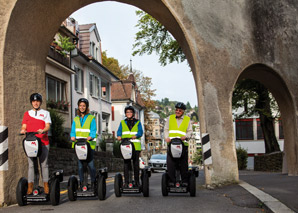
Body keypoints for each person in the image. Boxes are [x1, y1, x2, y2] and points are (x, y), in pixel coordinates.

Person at [20, 93, 51, 194]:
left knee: (44, 164)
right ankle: (30, 186)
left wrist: (43, 130)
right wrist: (23, 130)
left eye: (37, 101)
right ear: (31, 102)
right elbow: (24, 126)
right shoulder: (27, 114)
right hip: (31, 143)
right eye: (34, 101)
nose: (36, 103)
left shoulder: (45, 113)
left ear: (40, 102)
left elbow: (47, 126)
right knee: (31, 165)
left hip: (43, 142)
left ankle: (46, 185)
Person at [70, 98, 97, 190]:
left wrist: (91, 136)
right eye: (80, 106)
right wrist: (72, 137)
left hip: (89, 144)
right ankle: (82, 183)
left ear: (86, 107)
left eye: (84, 106)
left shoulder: (91, 118)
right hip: (79, 145)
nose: (82, 107)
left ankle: (93, 181)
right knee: (81, 165)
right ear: (78, 107)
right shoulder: (76, 119)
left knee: (91, 165)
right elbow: (73, 131)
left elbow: (93, 130)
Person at [164, 102, 193, 185]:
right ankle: (171, 181)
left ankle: (184, 181)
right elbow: (166, 129)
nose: (177, 111)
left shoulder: (187, 120)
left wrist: (186, 136)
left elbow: (190, 131)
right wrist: (167, 137)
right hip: (171, 144)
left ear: (183, 111)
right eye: (176, 110)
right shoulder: (170, 118)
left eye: (180, 110)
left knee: (183, 164)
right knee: (170, 164)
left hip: (183, 144)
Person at [117, 106, 143, 187]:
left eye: (130, 112)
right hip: (126, 146)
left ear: (133, 113)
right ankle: (127, 181)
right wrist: (118, 136)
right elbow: (119, 131)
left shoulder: (137, 122)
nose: (129, 113)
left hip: (135, 146)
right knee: (126, 164)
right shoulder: (122, 122)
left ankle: (136, 181)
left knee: (135, 164)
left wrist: (136, 135)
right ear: (125, 113)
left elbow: (140, 132)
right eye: (127, 112)